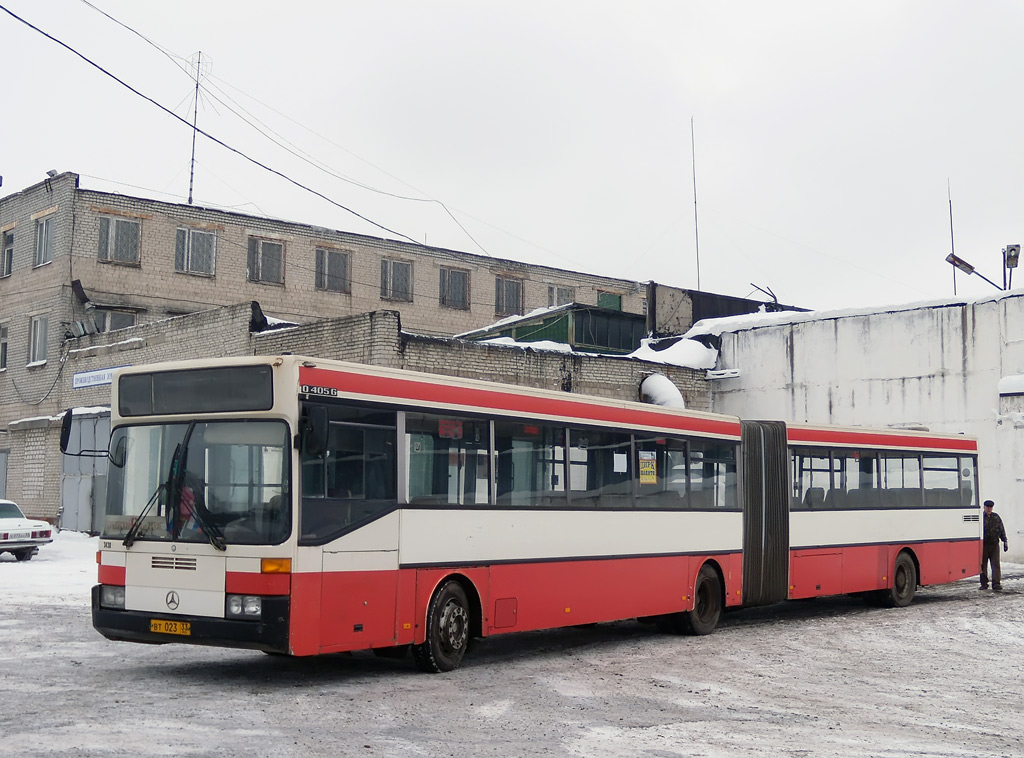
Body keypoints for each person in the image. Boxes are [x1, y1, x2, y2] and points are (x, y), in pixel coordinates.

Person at [981, 499, 1009, 591]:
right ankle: (984, 584)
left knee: (996, 564)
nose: (989, 509)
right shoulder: (980, 517)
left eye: (990, 507)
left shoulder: (996, 517)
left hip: (994, 545)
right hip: (983, 545)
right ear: (984, 507)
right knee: (983, 565)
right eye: (987, 507)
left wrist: (1005, 541)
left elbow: (1001, 529)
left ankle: (996, 584)